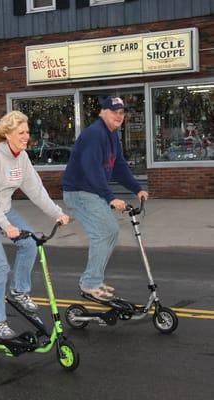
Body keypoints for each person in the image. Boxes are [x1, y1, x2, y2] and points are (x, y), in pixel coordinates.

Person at [0, 110, 70, 339]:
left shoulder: (21, 157)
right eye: (21, 132)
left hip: (3, 210)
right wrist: (5, 225)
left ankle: (20, 291)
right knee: (0, 267)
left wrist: (56, 213)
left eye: (27, 132)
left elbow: (36, 190)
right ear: (7, 134)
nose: (26, 137)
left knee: (30, 243)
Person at [62, 96, 148, 302]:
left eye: (121, 112)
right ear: (102, 112)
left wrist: (137, 188)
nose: (119, 116)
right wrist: (110, 197)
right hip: (79, 192)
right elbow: (92, 170)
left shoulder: (112, 135)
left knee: (111, 231)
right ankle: (90, 283)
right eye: (114, 111)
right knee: (103, 233)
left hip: (91, 191)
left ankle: (95, 280)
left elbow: (118, 166)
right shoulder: (94, 134)